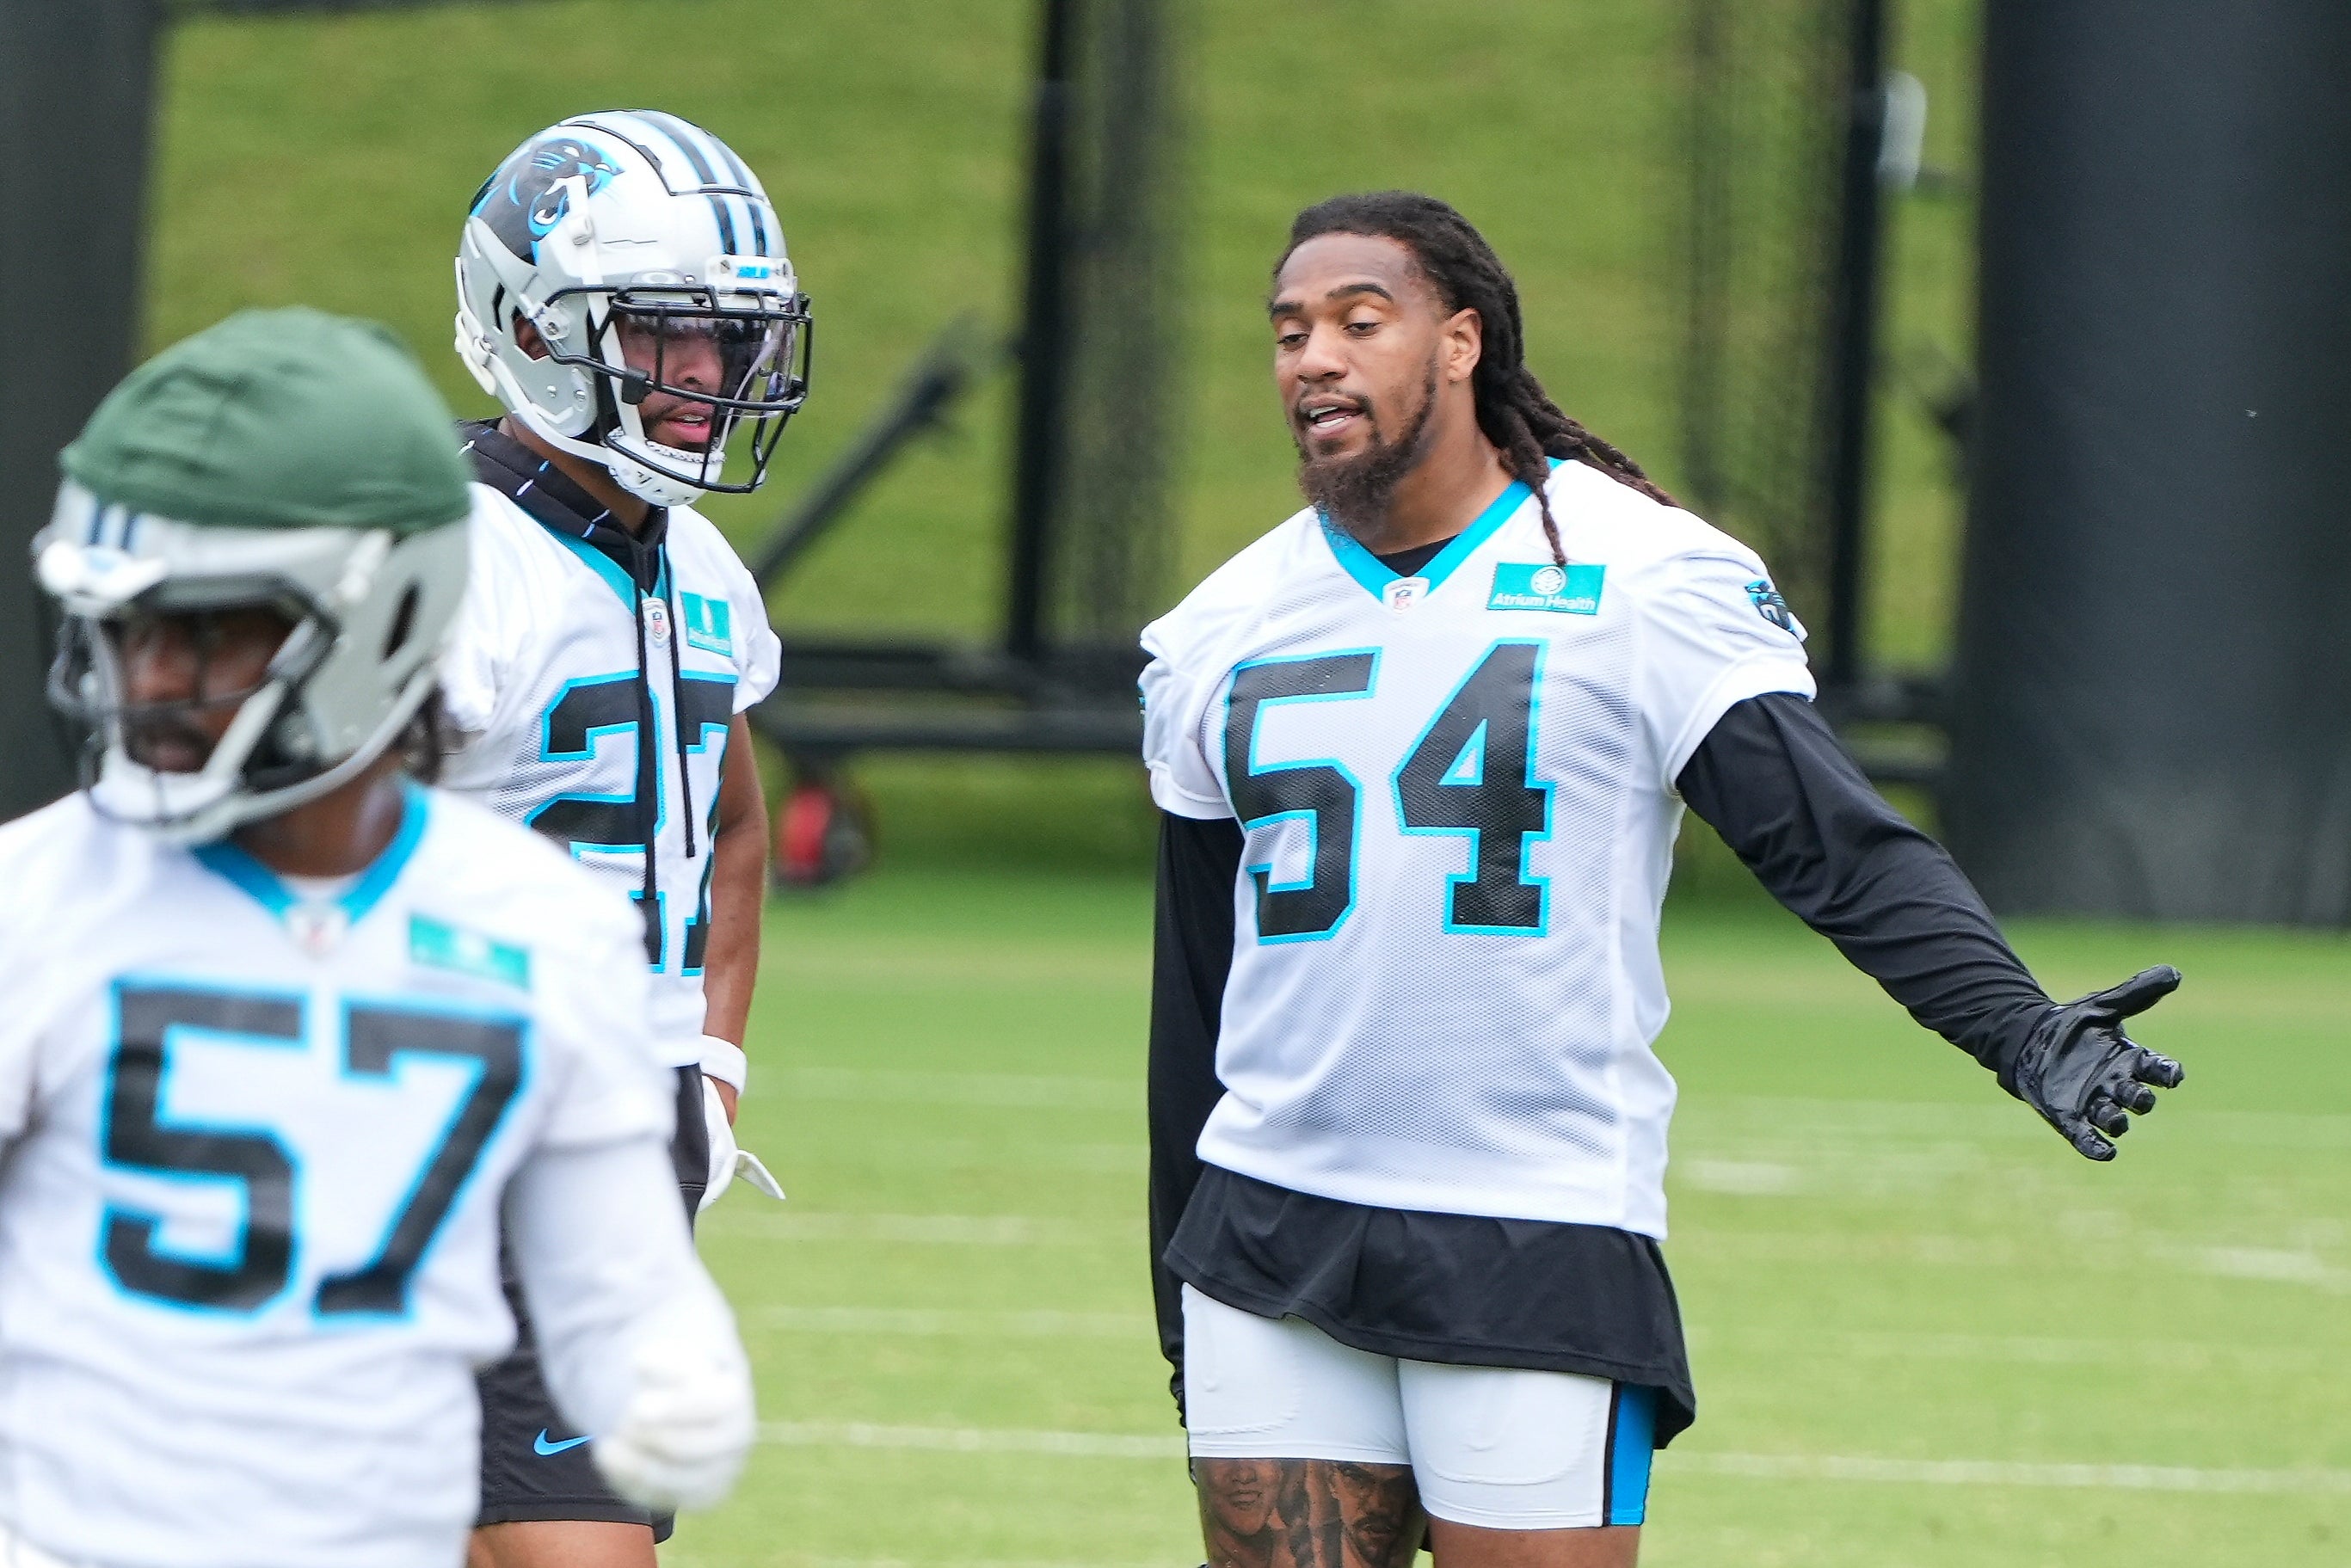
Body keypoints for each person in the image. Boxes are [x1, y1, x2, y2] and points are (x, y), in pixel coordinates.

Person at [1141, 192, 2188, 1568]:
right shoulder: (1216, 628)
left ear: (1459, 344)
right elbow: (1196, 990)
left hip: (1536, 1221)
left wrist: (2017, 1027)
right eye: (1287, 333)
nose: (1312, 358)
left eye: (1357, 321)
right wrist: (1179, 1284)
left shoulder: (1646, 573)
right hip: (1266, 1232)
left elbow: (1831, 846)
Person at [0, 308, 754, 1568]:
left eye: (210, 626)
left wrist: (659, 1363)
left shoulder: (539, 932)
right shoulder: (33, 904)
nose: (149, 681)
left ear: (387, 616)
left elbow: (611, 1291)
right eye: (127, 628)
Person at [444, 109, 797, 1566]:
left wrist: (707, 1056)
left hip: (619, 1132)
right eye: (664, 338)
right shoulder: (445, 563)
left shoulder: (696, 561)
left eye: (730, 341)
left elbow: (733, 822)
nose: (708, 380)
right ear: (533, 323)